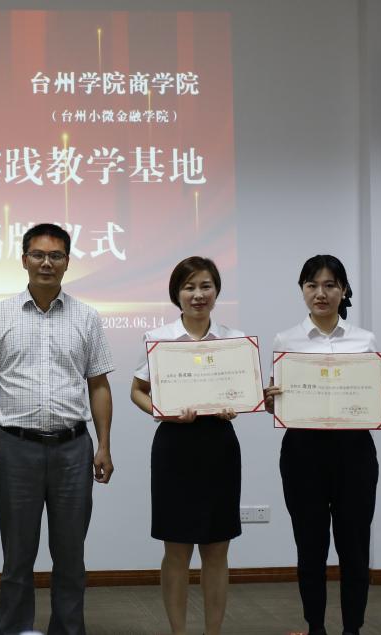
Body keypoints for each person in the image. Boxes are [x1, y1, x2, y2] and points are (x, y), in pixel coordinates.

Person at [0, 223, 115, 635]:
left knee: (70, 555)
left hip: (73, 448)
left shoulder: (87, 317)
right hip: (17, 447)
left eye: (55, 256)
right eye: (38, 255)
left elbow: (99, 385)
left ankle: (68, 629)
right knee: (17, 555)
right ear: (24, 260)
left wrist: (103, 445)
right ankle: (15, 629)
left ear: (67, 262)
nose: (46, 263)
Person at [264, 255, 381, 635]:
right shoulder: (285, 340)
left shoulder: (364, 339)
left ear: (343, 290)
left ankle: (352, 628)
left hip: (354, 453)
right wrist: (271, 400)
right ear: (302, 290)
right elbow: (279, 399)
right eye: (312, 285)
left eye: (329, 285)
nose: (320, 293)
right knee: (310, 548)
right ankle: (316, 628)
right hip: (302, 452)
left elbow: (373, 398)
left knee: (354, 548)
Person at [129, 257, 241, 635]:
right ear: (176, 293)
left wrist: (234, 405)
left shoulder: (233, 340)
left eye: (205, 286)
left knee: (217, 549)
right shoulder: (158, 338)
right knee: (176, 549)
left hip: (219, 445)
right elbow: (137, 391)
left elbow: (242, 392)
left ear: (216, 291)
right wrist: (163, 412)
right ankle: (178, 631)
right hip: (174, 446)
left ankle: (213, 632)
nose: (198, 295)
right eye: (189, 287)